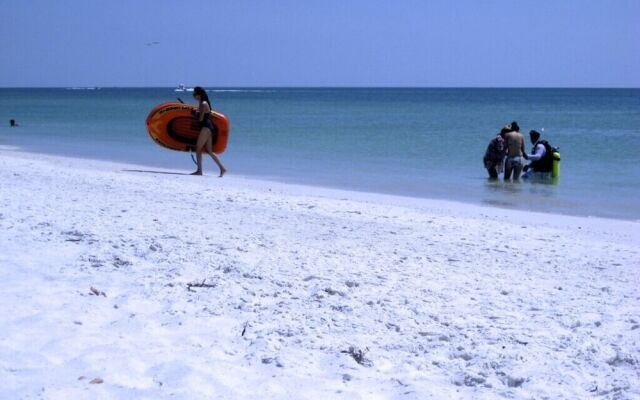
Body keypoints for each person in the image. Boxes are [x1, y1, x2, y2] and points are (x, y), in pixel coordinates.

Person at [190, 87, 226, 177]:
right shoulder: (203, 103)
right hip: (209, 128)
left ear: (199, 94)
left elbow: (201, 119)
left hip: (206, 127)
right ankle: (222, 168)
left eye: (194, 94)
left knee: (198, 149)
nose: (193, 95)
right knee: (209, 151)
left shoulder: (203, 103)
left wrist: (195, 114)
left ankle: (199, 171)